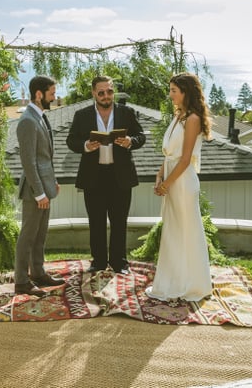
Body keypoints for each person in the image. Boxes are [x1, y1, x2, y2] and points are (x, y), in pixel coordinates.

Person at [66, 75, 146, 274]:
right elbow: (71, 141)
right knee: (96, 221)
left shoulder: (127, 112)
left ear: (113, 92)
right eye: (101, 92)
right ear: (94, 93)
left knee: (120, 221)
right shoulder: (81, 115)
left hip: (120, 175)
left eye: (109, 91)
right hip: (94, 176)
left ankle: (119, 262)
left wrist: (130, 141)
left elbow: (141, 136)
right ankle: (99, 261)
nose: (106, 96)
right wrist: (85, 145)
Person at [145, 72, 212, 302]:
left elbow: (185, 159)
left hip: (182, 183)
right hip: (172, 178)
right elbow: (169, 155)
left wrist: (167, 183)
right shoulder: (178, 116)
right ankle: (173, 280)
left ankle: (193, 284)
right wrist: (159, 176)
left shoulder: (192, 119)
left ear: (186, 92)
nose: (170, 94)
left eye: (174, 90)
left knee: (187, 233)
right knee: (173, 234)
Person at [14, 75, 65, 296]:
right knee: (27, 237)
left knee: (40, 235)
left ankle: (38, 273)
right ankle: (21, 282)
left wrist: (51, 182)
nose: (54, 98)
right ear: (38, 94)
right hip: (34, 192)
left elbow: (44, 157)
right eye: (52, 94)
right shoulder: (27, 121)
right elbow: (29, 162)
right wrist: (39, 192)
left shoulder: (40, 117)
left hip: (44, 187)